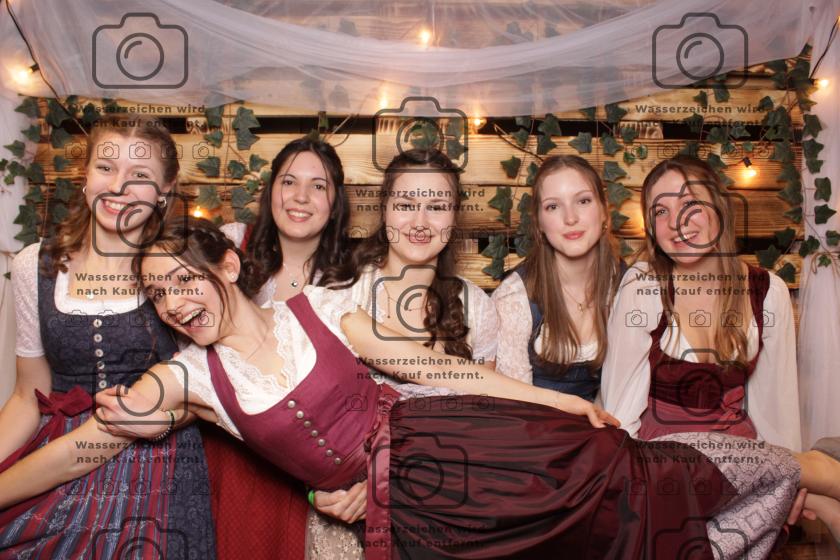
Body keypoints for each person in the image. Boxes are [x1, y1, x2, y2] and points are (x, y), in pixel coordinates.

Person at [5, 217, 840, 559]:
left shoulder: (321, 310)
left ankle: (796, 470)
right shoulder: (188, 381)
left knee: (618, 473)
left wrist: (559, 401)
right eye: (157, 294)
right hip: (404, 517)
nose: (175, 302)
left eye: (183, 279)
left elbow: (442, 370)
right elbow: (81, 450)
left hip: (455, 440)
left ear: (225, 264)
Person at [0, 115, 215, 558]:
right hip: (53, 458)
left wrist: (163, 419)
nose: (118, 187)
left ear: (165, 190)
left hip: (159, 469)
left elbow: (209, 388)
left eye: (139, 175)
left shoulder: (180, 271)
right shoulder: (34, 265)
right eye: (106, 167)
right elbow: (27, 396)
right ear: (85, 175)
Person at [314, 148, 500, 557]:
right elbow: (305, 422)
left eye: (436, 206)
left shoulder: (477, 307)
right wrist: (318, 490)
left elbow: (482, 426)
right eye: (406, 204)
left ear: (454, 217)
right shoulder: (339, 297)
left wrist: (391, 481)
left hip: (447, 509)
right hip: (349, 514)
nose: (420, 221)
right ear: (384, 210)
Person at [207, 136, 355, 559]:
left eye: (318, 186)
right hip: (230, 451)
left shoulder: (349, 280)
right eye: (289, 182)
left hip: (307, 461)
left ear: (335, 202)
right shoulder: (231, 245)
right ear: (271, 189)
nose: (300, 197)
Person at [600, 156, 802, 452]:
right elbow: (620, 413)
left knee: (823, 476)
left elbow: (777, 415)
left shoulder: (768, 292)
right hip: (662, 456)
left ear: (719, 208)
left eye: (690, 204)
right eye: (660, 211)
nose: (675, 223)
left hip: (739, 455)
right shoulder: (643, 286)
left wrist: (785, 472)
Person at [492, 155, 623, 402]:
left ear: (604, 211)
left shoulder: (626, 284)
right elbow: (517, 408)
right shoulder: (514, 299)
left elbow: (630, 390)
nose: (570, 218)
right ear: (539, 223)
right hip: (536, 422)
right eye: (553, 206)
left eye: (583, 201)